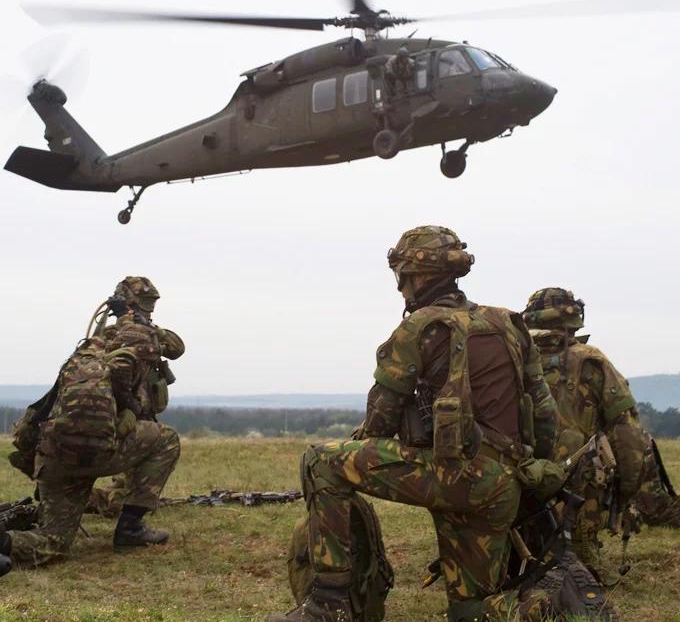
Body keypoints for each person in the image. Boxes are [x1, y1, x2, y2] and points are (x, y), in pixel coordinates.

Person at [270, 226, 558, 622]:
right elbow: (545, 415)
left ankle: (328, 606)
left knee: (322, 462)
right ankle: (546, 611)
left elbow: (380, 419)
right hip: (504, 485)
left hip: (454, 477)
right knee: (470, 610)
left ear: (418, 275)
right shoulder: (510, 323)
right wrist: (533, 472)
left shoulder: (420, 326)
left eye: (402, 277)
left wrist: (361, 449)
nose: (400, 288)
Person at [0, 318, 179, 567]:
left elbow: (36, 416)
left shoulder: (79, 367)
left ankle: (1, 542)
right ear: (144, 360)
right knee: (167, 439)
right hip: (98, 457)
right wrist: (132, 408)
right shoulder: (127, 370)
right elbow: (143, 411)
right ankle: (130, 529)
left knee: (53, 542)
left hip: (55, 462)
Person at [520, 288, 648, 584]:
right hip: (578, 496)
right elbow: (628, 437)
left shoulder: (510, 357)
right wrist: (626, 491)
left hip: (517, 489)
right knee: (584, 574)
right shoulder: (591, 362)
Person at [85, 276, 184, 518]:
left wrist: (150, 328)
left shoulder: (148, 332)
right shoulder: (111, 334)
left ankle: (109, 497)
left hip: (145, 410)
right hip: (123, 413)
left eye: (151, 304)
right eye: (144, 303)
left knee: (134, 480)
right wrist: (126, 322)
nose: (149, 309)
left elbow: (177, 349)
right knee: (121, 502)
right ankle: (84, 499)